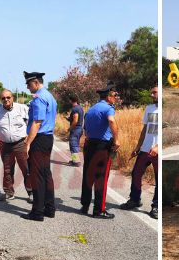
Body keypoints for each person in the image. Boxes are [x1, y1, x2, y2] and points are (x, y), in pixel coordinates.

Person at [21, 71, 57, 222]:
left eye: (29, 84)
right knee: (46, 174)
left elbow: (37, 122)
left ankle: (37, 212)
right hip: (47, 138)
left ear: (36, 82)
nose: (28, 88)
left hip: (39, 139)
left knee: (37, 177)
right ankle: (49, 208)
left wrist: (28, 143)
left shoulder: (38, 98)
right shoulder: (49, 96)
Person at [81, 84, 120, 219]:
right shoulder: (108, 109)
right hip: (102, 146)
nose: (116, 98)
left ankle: (85, 205)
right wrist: (116, 140)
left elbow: (85, 128)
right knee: (101, 178)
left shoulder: (92, 109)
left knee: (88, 175)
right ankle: (99, 210)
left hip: (90, 144)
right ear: (108, 96)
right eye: (115, 95)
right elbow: (111, 121)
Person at [0, 89, 32, 203]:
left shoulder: (22, 108)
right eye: (3, 98)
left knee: (26, 169)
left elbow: (33, 121)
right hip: (5, 146)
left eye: (8, 97)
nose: (6, 100)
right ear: (0, 100)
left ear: (12, 98)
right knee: (7, 170)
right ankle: (9, 193)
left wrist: (29, 136)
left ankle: (31, 192)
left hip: (21, 144)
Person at [120, 85, 158, 219]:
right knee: (136, 173)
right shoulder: (150, 108)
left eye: (155, 93)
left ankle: (156, 207)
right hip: (145, 149)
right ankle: (135, 200)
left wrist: (158, 147)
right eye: (151, 93)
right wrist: (138, 146)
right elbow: (146, 129)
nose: (152, 95)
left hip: (158, 151)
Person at [67, 95, 84, 166]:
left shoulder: (75, 109)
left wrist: (70, 128)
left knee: (73, 145)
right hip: (79, 128)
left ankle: (76, 162)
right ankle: (74, 160)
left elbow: (75, 121)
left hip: (75, 129)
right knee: (75, 144)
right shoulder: (80, 108)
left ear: (71, 100)